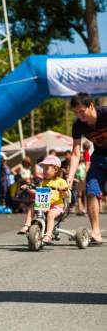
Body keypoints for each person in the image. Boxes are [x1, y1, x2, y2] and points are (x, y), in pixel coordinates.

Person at [67, 93, 105, 245]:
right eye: (75, 112)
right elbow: (76, 153)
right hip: (99, 158)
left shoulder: (105, 114)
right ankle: (95, 232)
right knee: (91, 191)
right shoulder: (78, 125)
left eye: (81, 111)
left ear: (91, 105)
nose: (79, 115)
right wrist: (70, 177)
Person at [17, 155, 70, 244]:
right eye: (43, 168)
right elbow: (38, 192)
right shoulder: (43, 182)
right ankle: (27, 225)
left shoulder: (60, 181)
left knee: (50, 215)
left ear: (56, 170)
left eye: (46, 168)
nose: (44, 171)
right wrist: (28, 187)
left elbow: (67, 194)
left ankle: (48, 235)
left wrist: (63, 190)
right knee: (33, 205)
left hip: (56, 206)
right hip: (44, 204)